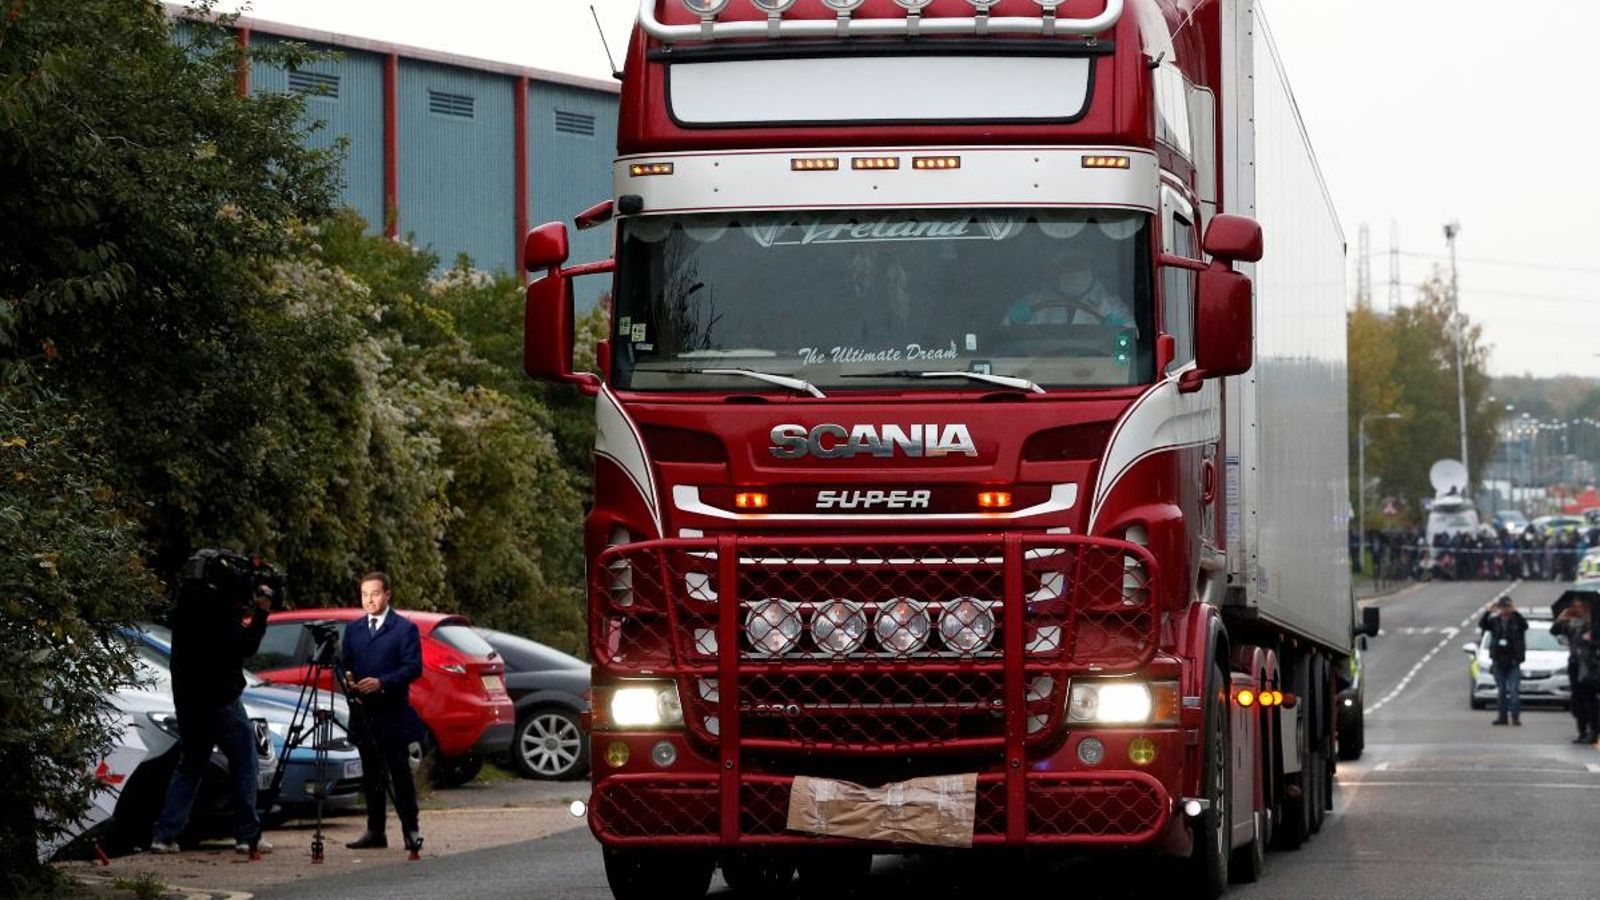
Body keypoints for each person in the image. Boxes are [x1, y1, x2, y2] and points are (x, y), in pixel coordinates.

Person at [150, 551, 273, 855]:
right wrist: (261, 613)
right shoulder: (220, 607)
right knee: (244, 762)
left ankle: (164, 835)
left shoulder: (183, 608)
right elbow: (245, 646)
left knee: (191, 763)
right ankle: (247, 835)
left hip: (188, 700)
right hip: (221, 696)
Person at [340, 571, 426, 853]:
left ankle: (410, 830)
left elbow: (413, 668)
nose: (369, 600)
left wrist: (382, 683)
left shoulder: (404, 628)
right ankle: (375, 830)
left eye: (374, 593)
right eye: (364, 594)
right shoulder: (353, 630)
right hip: (364, 713)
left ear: (387, 594)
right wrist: (348, 679)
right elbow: (344, 664)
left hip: (392, 712)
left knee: (399, 773)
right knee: (371, 775)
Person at [1003, 240, 1133, 330]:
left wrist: (1119, 332)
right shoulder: (1031, 304)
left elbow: (1127, 355)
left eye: (1079, 263)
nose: (1072, 270)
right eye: (1065, 265)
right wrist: (1011, 321)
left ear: (1092, 266)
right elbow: (1005, 343)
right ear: (1050, 271)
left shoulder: (1111, 306)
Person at [1552, 598, 1597, 743]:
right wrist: (1562, 617)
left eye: (1580, 607)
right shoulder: (1570, 624)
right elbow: (1554, 631)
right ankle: (1582, 731)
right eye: (1574, 607)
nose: (1577, 610)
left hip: (1590, 665)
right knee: (1577, 699)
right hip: (1574, 664)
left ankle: (1594, 731)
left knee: (1590, 699)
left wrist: (1590, 639)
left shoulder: (1594, 624)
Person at [1478, 597, 1528, 726]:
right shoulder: (1495, 621)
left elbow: (1525, 626)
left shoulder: (1516, 621)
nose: (1505, 610)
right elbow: (1483, 625)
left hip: (1513, 661)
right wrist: (1488, 611)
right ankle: (1502, 717)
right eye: (1502, 607)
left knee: (1514, 691)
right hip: (1498, 660)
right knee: (1501, 691)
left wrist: (1515, 612)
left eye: (1507, 607)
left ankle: (1515, 717)